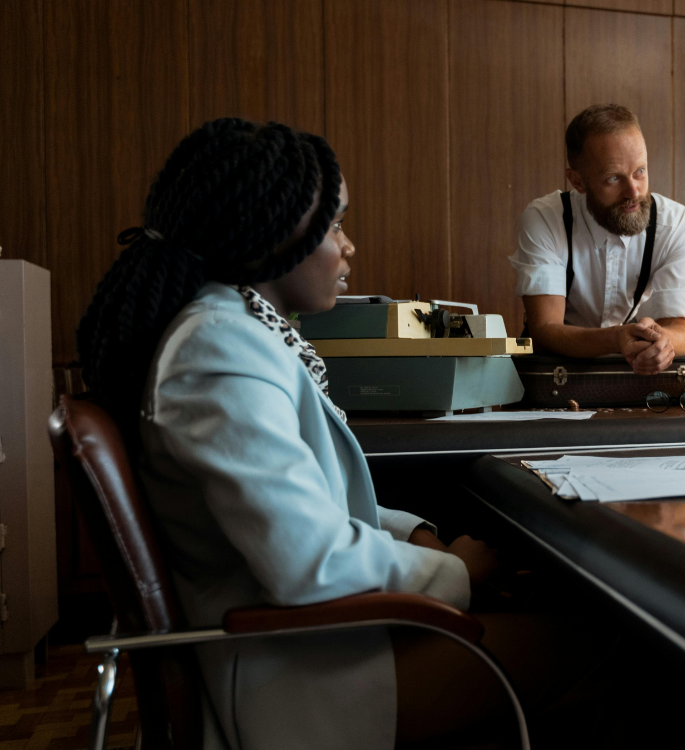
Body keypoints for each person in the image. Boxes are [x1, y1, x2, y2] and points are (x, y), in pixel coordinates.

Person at [77, 119, 596, 749]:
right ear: (272, 230)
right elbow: (310, 561)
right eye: (336, 224)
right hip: (299, 677)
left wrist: (418, 535)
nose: (348, 246)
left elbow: (309, 505)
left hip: (312, 645)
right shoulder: (218, 347)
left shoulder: (234, 330)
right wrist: (455, 570)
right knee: (611, 646)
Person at [510, 104, 685, 375]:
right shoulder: (546, 219)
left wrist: (663, 342)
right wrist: (616, 337)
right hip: (550, 372)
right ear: (578, 181)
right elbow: (544, 330)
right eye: (613, 178)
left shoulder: (675, 224)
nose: (633, 191)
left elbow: (680, 328)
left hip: (629, 371)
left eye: (640, 171)